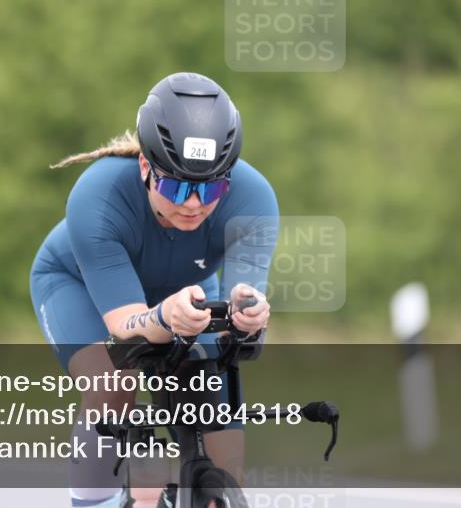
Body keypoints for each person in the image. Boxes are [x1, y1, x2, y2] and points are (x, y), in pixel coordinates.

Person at [30, 72, 278, 508]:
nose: (193, 204)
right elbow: (128, 330)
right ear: (146, 166)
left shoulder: (254, 199)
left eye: (211, 188)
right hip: (77, 284)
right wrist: (163, 317)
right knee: (114, 385)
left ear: (229, 178)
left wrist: (248, 319)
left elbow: (242, 305)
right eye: (176, 185)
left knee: (215, 415)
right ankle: (95, 503)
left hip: (185, 290)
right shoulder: (97, 195)